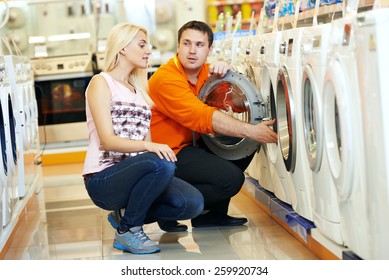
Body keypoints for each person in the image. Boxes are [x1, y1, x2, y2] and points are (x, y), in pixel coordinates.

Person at [82, 22, 204, 254]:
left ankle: (125, 217)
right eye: (142, 45)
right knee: (161, 161)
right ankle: (129, 229)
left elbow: (145, 153)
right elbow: (106, 141)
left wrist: (151, 149)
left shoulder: (140, 92)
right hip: (103, 178)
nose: (148, 50)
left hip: (136, 175)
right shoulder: (101, 83)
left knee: (192, 203)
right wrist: (151, 145)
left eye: (148, 45)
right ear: (122, 48)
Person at [148, 20, 277, 228]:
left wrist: (229, 75)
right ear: (178, 47)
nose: (192, 51)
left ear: (209, 49)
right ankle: (163, 205)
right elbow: (202, 116)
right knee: (231, 179)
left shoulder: (207, 73)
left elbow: (234, 105)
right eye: (186, 43)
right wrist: (253, 130)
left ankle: (209, 215)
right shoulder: (165, 78)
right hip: (168, 153)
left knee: (242, 145)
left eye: (199, 45)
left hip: (195, 144)